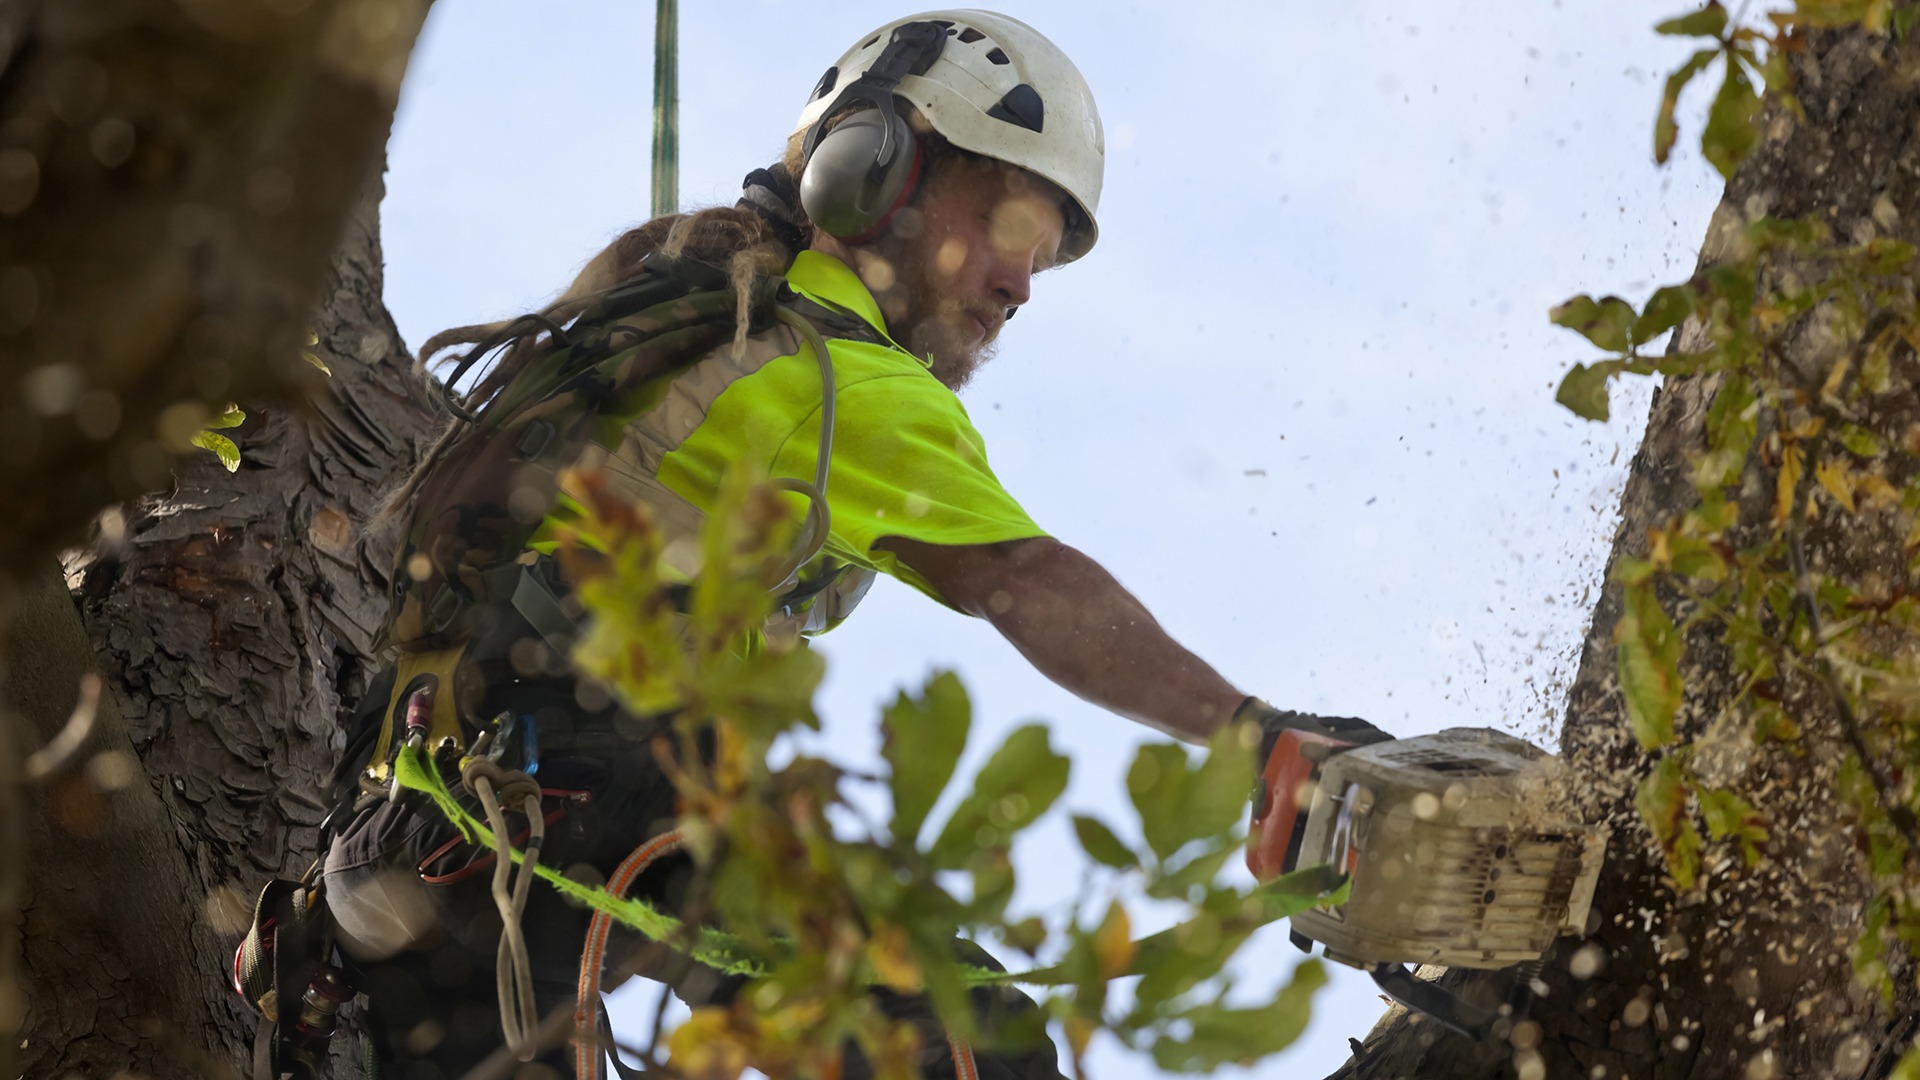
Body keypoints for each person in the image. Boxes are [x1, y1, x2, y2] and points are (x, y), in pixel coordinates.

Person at [319, 11, 1387, 1080]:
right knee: (971, 1041)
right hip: (577, 808)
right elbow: (1022, 580)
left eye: (1041, 268)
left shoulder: (700, 332)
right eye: (1009, 228)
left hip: (404, 865)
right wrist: (1259, 737)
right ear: (878, 166)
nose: (1019, 289)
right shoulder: (835, 373)